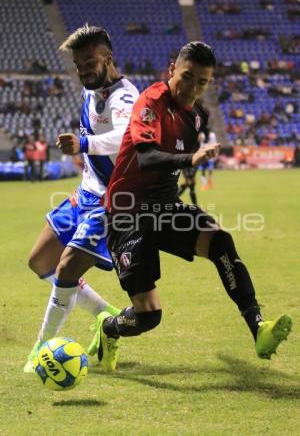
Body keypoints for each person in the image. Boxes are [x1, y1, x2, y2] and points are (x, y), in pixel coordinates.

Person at [89, 41, 292, 367]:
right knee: (149, 317)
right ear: (173, 70)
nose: (192, 88)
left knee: (221, 241)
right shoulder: (151, 101)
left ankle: (259, 328)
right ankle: (108, 326)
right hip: (126, 214)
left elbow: (172, 165)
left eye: (202, 82)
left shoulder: (197, 116)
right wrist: (191, 158)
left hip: (165, 208)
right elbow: (147, 156)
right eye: (187, 77)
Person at [23, 24, 139, 373]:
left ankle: (41, 350)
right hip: (86, 192)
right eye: (78, 64)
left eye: (89, 61)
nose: (83, 70)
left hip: (112, 202)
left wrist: (84, 143)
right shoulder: (91, 90)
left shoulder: (125, 96)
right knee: (39, 261)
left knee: (65, 268)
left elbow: (124, 137)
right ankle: (109, 316)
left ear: (108, 57)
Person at [199, 127, 217, 191]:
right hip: (203, 154)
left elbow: (214, 144)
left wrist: (215, 154)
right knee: (202, 170)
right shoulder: (201, 135)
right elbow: (200, 144)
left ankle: (210, 183)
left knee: (210, 169)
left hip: (210, 154)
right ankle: (204, 184)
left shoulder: (212, 135)